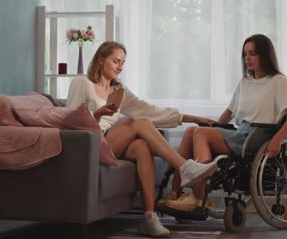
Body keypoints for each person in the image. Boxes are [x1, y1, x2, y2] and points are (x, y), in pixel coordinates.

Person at [67, 41, 218, 237]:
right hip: (91, 142)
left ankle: (149, 217)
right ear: (101, 60)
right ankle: (184, 167)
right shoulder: (82, 83)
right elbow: (69, 120)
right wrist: (97, 114)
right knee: (140, 123)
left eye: (122, 62)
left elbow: (149, 110)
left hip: (111, 142)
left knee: (141, 146)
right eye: (115, 61)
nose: (120, 67)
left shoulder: (118, 90)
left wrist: (190, 118)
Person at [157, 34, 287, 212]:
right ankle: (176, 193)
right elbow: (229, 112)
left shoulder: (278, 81)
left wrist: (277, 140)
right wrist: (214, 127)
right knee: (191, 131)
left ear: (265, 55)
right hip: (240, 133)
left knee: (200, 133)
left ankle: (197, 197)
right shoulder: (245, 82)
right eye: (245, 54)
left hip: (257, 137)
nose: (247, 58)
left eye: (253, 54)